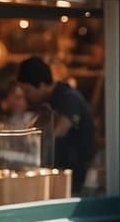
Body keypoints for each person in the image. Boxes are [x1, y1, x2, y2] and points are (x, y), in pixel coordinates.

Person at [17, 56, 94, 194]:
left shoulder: (69, 99)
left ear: (41, 85)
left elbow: (58, 133)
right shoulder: (50, 101)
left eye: (27, 90)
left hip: (75, 182)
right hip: (59, 176)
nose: (25, 96)